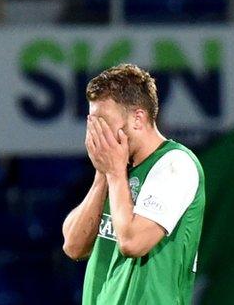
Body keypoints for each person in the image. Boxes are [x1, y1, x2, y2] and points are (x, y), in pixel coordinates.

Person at [61, 64, 205, 305]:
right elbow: (73, 246)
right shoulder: (115, 169)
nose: (98, 134)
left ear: (138, 118)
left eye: (104, 122)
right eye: (92, 123)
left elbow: (132, 243)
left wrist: (115, 174)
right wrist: (101, 175)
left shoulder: (175, 165)